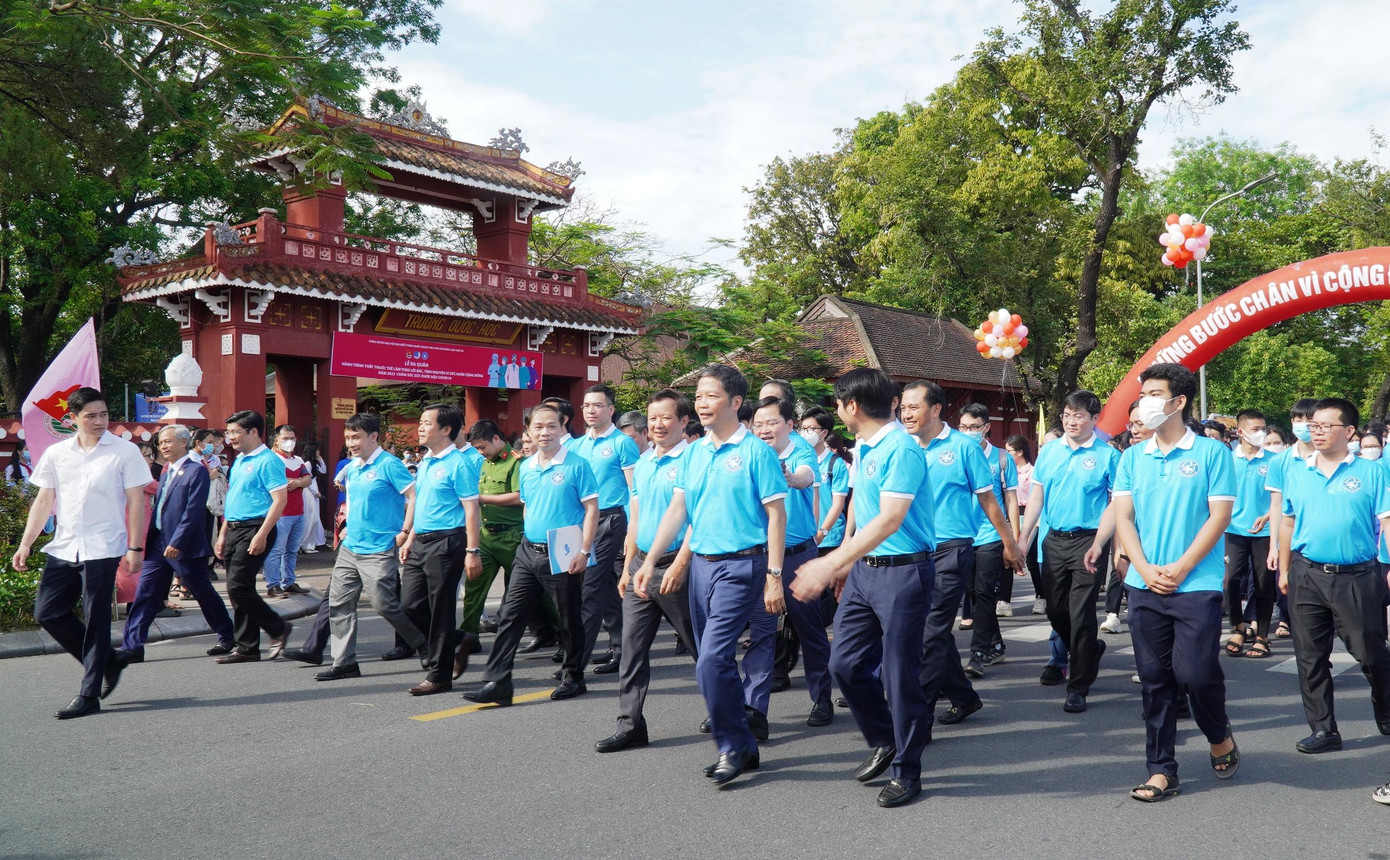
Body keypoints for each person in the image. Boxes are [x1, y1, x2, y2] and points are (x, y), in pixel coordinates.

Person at [635, 364, 787, 786]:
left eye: (711, 396)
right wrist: (650, 561)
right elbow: (677, 509)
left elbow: (777, 515)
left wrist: (774, 575)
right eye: (698, 396)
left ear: (736, 402)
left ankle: (732, 744)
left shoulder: (756, 452)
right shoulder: (694, 451)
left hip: (743, 566)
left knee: (713, 660)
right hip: (701, 565)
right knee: (710, 660)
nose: (701, 403)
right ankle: (746, 744)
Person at [790, 368, 936, 808]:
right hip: (864, 572)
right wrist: (845, 564)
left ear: (853, 406)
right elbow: (859, 505)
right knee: (846, 665)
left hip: (903, 573)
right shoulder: (864, 446)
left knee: (898, 674)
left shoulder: (901, 448)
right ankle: (886, 738)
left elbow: (890, 518)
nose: (836, 411)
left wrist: (830, 561)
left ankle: (908, 771)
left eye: (837, 403)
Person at [1112, 362, 1238, 802]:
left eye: (1153, 393)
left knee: (1196, 674)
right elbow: (1124, 518)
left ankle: (1218, 733)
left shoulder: (1211, 454)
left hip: (1196, 583)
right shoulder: (1131, 457)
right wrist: (1143, 568)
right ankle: (1161, 768)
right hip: (1145, 585)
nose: (1144, 402)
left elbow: (1219, 517)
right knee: (1153, 678)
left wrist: (1181, 567)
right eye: (1143, 393)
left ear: (1178, 401)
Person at [13, 387, 150, 718]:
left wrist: (134, 547)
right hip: (66, 543)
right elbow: (45, 500)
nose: (100, 421)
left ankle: (89, 695)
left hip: (104, 545)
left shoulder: (124, 452)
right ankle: (110, 660)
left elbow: (135, 501)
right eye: (91, 416)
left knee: (97, 618)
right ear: (72, 418)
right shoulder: (58, 453)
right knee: (48, 612)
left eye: (104, 414)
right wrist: (26, 542)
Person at [899, 381, 1021, 724]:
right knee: (927, 630)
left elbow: (988, 498)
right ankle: (964, 696)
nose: (906, 414)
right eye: (903, 408)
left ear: (935, 409)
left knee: (931, 631)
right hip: (913, 552)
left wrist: (1010, 543)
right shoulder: (903, 446)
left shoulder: (963, 447)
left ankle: (915, 717)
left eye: (913, 407)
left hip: (952, 549)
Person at [466, 404, 599, 704]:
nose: (545, 432)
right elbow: (528, 505)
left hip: (563, 550)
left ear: (562, 427)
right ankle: (498, 682)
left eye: (551, 426)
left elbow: (592, 509)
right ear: (528, 431)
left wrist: (584, 550)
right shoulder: (525, 466)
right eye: (538, 427)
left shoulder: (577, 465)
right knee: (510, 617)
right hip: (528, 550)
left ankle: (574, 676)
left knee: (568, 618)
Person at [1278, 397, 1390, 753]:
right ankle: (1324, 729)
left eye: (1326, 425)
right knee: (1310, 656)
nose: (1318, 431)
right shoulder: (1296, 470)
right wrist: (1283, 568)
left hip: (1357, 577)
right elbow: (1288, 521)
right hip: (1307, 573)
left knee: (1370, 653)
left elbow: (1387, 521)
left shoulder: (1372, 472)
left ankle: (1385, 706)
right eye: (1314, 425)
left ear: (1349, 431)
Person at [596, 389, 701, 752]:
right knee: (631, 648)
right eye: (652, 417)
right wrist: (628, 568)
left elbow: (693, 519)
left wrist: (682, 563)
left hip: (676, 566)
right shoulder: (643, 462)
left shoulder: (694, 459)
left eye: (666, 417)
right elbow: (636, 520)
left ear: (684, 421)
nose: (658, 424)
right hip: (641, 564)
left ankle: (729, 710)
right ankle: (630, 724)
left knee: (702, 648)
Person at [1018, 390, 1118, 713]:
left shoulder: (1108, 456)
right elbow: (1037, 497)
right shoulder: (1049, 453)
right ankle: (1089, 648)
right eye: (1067, 415)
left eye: (1079, 416)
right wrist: (1023, 539)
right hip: (1053, 541)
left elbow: (1117, 504)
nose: (1071, 421)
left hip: (1089, 540)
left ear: (1094, 419)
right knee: (1055, 610)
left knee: (1081, 612)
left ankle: (1078, 687)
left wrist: (1105, 545)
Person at [316, 413, 430, 682]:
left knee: (383, 604)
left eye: (356, 437)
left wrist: (405, 531)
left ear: (373, 437)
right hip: (350, 546)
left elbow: (414, 496)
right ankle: (344, 662)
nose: (351, 442)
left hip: (379, 548)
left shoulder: (390, 465)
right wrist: (346, 526)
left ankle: (423, 643)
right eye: (347, 437)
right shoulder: (354, 467)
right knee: (340, 604)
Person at [114, 425, 235, 671]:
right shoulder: (168, 471)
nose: (164, 447)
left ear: (184, 442)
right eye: (161, 444)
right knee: (145, 594)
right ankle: (132, 646)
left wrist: (177, 542)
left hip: (183, 546)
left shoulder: (195, 471)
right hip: (158, 543)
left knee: (203, 592)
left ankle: (226, 635)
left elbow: (193, 512)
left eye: (169, 442)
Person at [751, 395, 833, 727]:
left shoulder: (800, 449)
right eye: (758, 424)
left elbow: (803, 477)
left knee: (809, 629)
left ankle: (822, 698)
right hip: (759, 557)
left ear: (789, 425)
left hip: (798, 556)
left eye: (772, 423)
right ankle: (752, 709)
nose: (764, 430)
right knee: (760, 632)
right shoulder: (750, 452)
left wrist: (784, 475)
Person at [457, 419, 552, 679]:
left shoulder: (517, 462)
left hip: (512, 536)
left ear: (497, 439)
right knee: (474, 586)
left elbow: (520, 496)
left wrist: (482, 499)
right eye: (476, 448)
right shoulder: (484, 464)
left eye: (482, 446)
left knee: (534, 589)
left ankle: (555, 632)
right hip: (487, 536)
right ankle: (469, 636)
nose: (480, 452)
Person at [398, 403, 482, 696]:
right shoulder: (425, 461)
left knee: (441, 610)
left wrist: (473, 551)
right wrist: (409, 539)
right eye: (419, 422)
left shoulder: (459, 464)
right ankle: (459, 640)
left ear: (446, 430)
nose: (420, 428)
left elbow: (471, 509)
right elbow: (420, 503)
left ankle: (439, 675)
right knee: (409, 605)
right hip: (421, 542)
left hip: (447, 543)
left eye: (426, 423)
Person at [568, 383, 640, 675]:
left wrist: (631, 532)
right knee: (607, 589)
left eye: (598, 405)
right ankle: (620, 649)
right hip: (582, 521)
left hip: (611, 521)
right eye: (586, 405)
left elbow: (635, 490)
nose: (591, 410)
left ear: (611, 410)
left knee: (590, 590)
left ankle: (575, 664)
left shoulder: (622, 442)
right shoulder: (575, 445)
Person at [213, 410, 292, 664]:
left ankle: (277, 627)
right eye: (229, 432)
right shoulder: (240, 460)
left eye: (236, 432)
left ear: (254, 432)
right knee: (238, 588)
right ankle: (247, 647)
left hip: (256, 527)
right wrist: (223, 534)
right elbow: (233, 500)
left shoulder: (268, 460)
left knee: (238, 585)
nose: (230, 437)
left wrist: (262, 534)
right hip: (235, 528)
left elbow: (280, 501)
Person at [958, 403, 1021, 677]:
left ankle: (978, 652)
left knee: (985, 591)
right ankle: (995, 643)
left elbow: (1011, 500)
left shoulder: (1001, 458)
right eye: (963, 427)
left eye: (974, 427)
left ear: (986, 427)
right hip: (963, 533)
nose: (969, 432)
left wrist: (1013, 542)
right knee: (972, 592)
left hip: (991, 534)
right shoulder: (957, 454)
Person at [1223, 409, 1277, 658]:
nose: (1261, 433)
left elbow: (1281, 497)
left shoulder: (1274, 460)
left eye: (1263, 428)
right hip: (1233, 529)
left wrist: (1267, 516)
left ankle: (1263, 636)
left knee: (1264, 583)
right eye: (1256, 429)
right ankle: (1238, 626)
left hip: (1265, 531)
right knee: (1231, 580)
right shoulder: (1226, 460)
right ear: (1240, 432)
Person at [262, 425, 312, 598]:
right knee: (276, 549)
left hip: (298, 512)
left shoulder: (298, 460)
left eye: (292, 438)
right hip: (280, 514)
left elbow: (308, 480)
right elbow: (278, 482)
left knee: (292, 550)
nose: (289, 442)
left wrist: (297, 482)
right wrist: (299, 481)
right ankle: (273, 584)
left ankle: (288, 581)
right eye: (285, 438)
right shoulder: (272, 459)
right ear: (276, 440)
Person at [300, 441, 328, 552]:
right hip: (308, 491)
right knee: (311, 517)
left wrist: (320, 459)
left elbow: (324, 470)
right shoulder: (307, 464)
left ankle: (315, 542)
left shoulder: (314, 463)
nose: (319, 451)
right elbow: (306, 480)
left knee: (315, 517)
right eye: (317, 450)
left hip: (314, 490)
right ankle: (305, 544)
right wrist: (315, 492)